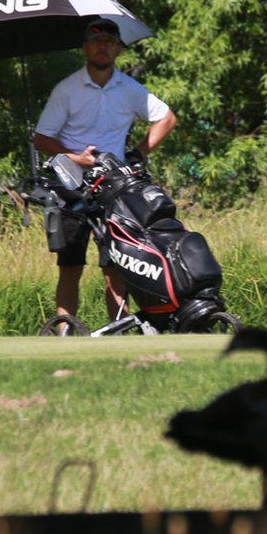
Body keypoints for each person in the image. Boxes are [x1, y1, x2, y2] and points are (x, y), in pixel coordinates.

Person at [31, 17, 176, 324]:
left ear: (118, 50)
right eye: (96, 41)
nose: (102, 47)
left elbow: (167, 118)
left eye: (109, 42)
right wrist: (73, 157)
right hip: (70, 188)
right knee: (70, 268)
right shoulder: (67, 89)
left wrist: (137, 154)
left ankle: (117, 334)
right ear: (85, 47)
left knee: (116, 267)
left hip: (113, 189)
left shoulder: (129, 88)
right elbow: (41, 138)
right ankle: (65, 333)